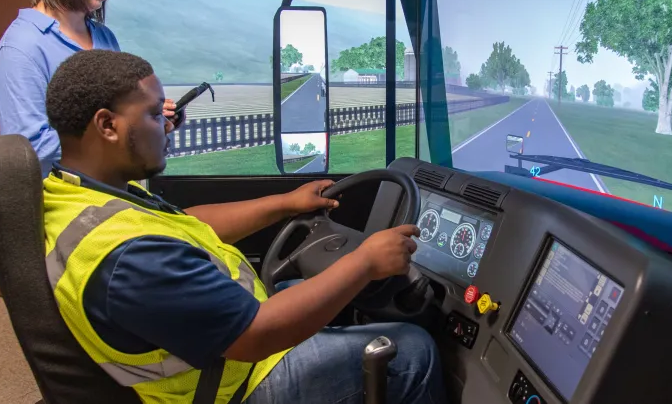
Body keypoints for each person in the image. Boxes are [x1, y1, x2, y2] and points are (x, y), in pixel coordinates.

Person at [43, 49, 445, 404]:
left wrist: (285, 203)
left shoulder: (82, 196)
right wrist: (365, 263)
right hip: (234, 385)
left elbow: (191, 223)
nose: (167, 126)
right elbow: (257, 336)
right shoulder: (128, 256)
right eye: (152, 114)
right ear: (107, 126)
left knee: (301, 290)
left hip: (219, 353)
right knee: (413, 350)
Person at [0, 0, 178, 177]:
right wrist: (125, 134)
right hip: (63, 201)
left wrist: (152, 119)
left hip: (111, 192)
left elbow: (118, 113)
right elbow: (30, 147)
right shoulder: (22, 48)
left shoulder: (105, 38)